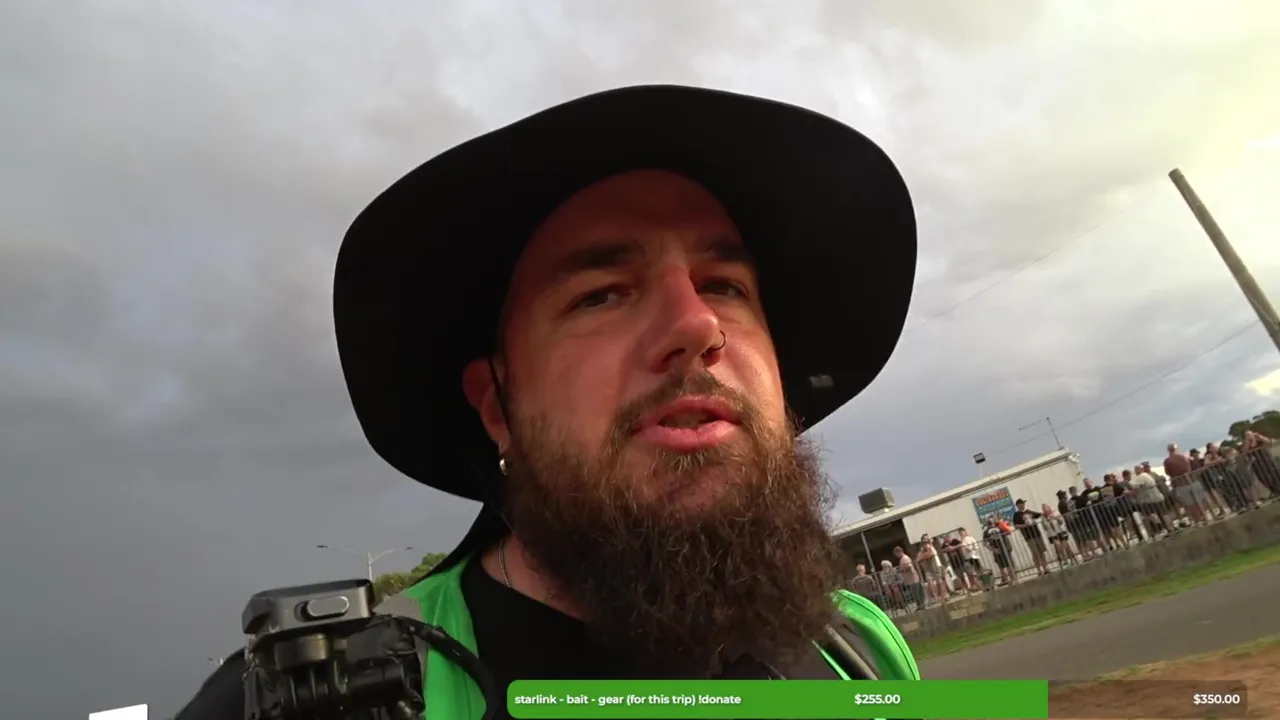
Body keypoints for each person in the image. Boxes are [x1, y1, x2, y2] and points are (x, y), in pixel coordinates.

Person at [174, 85, 921, 719]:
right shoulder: (312, 701)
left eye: (725, 286)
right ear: (498, 410)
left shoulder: (856, 648)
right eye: (603, 294)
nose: (698, 327)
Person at [1011, 499, 1048, 575]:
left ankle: (1045, 568)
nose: (1023, 505)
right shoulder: (1016, 515)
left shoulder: (1028, 511)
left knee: (1041, 551)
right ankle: (1038, 570)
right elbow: (1016, 526)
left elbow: (1038, 514)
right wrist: (1025, 525)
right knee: (1035, 553)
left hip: (1036, 534)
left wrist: (1045, 514)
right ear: (1018, 505)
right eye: (1021, 503)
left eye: (1023, 503)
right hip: (1028, 536)